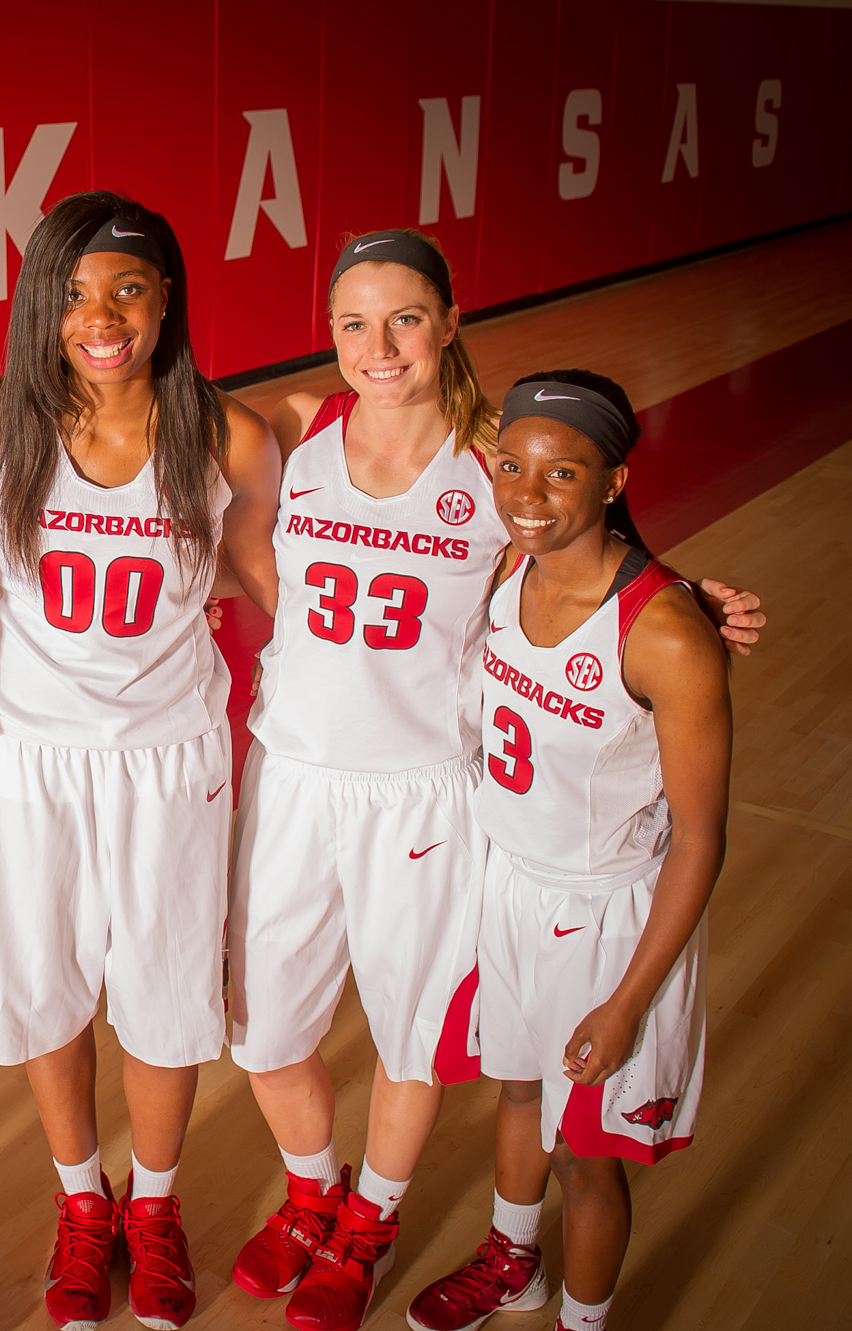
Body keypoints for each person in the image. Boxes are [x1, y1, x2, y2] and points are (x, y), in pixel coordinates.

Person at [228, 232, 764, 1331]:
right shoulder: (289, 427)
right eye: (351, 323)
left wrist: (684, 600)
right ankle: (310, 1190)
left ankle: (369, 1221)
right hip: (289, 772)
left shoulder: (490, 458)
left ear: (451, 318)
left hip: (425, 788)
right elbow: (217, 520)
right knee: (264, 1027)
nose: (377, 347)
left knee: (414, 1033)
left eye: (405, 319)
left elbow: (579, 549)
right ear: (325, 333)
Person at [0, 190, 282, 1331]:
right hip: (28, 754)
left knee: (161, 991)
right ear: (43, 302)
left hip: (165, 756)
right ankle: (78, 1203)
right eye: (77, 291)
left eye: (128, 288)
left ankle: (151, 1202)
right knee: (44, 991)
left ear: (167, 299)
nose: (102, 316)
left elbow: (287, 589)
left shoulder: (226, 435)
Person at [404, 371, 727, 1331]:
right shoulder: (511, 571)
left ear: (615, 480)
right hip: (510, 889)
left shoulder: (665, 633)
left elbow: (701, 838)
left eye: (561, 475)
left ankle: (582, 1323)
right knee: (516, 1086)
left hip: (609, 916)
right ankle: (513, 1260)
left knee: (587, 1151)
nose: (526, 497)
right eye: (512, 467)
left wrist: (629, 1001)